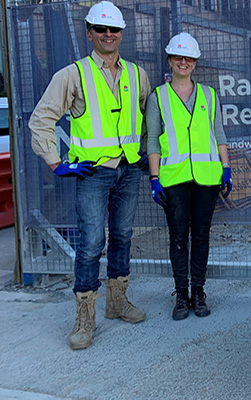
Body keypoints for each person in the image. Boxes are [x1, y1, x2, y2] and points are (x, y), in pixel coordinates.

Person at [28, 1, 150, 350]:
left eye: (114, 30)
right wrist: (55, 162)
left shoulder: (136, 74)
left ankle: (117, 302)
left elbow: (143, 115)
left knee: (123, 236)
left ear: (121, 34)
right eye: (101, 29)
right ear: (89, 33)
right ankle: (84, 317)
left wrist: (142, 154)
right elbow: (41, 118)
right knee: (92, 242)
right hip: (94, 173)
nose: (108, 35)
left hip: (128, 170)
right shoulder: (72, 74)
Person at [146, 33, 231, 321]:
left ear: (195, 63)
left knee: (202, 235)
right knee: (179, 237)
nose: (183, 62)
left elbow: (218, 134)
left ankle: (199, 292)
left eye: (189, 58)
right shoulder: (158, 97)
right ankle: (181, 294)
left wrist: (226, 167)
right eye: (178, 57)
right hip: (174, 178)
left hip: (207, 177)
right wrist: (154, 177)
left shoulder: (208, 95)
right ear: (170, 60)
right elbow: (154, 141)